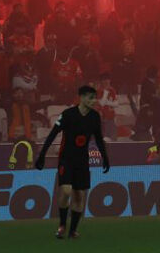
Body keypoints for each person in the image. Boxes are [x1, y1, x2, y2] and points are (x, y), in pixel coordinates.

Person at [35, 85, 110, 240]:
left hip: (82, 161)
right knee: (66, 191)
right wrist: (42, 155)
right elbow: (52, 134)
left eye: (94, 98)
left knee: (79, 197)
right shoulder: (68, 114)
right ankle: (62, 225)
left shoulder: (95, 117)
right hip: (66, 159)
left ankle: (73, 230)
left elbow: (99, 139)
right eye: (90, 97)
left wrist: (105, 158)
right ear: (81, 98)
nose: (93, 101)